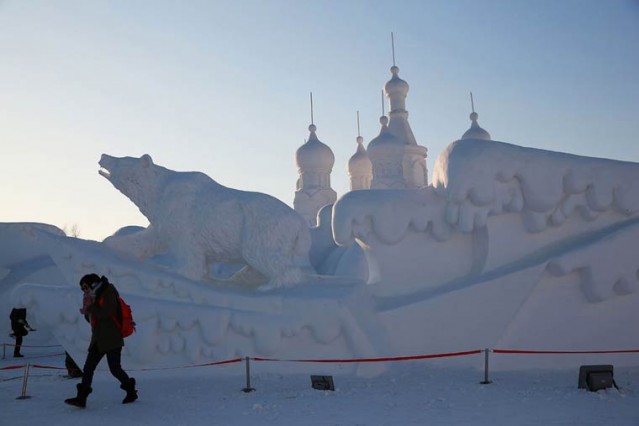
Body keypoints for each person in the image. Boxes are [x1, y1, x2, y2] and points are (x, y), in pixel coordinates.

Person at [64, 274, 138, 408]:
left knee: (115, 369)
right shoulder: (94, 297)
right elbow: (91, 320)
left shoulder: (108, 293)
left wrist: (91, 306)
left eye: (85, 287)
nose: (84, 290)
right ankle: (81, 398)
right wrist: (87, 309)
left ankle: (131, 391)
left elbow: (105, 313)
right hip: (98, 339)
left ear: (93, 284)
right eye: (82, 288)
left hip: (112, 338)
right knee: (88, 368)